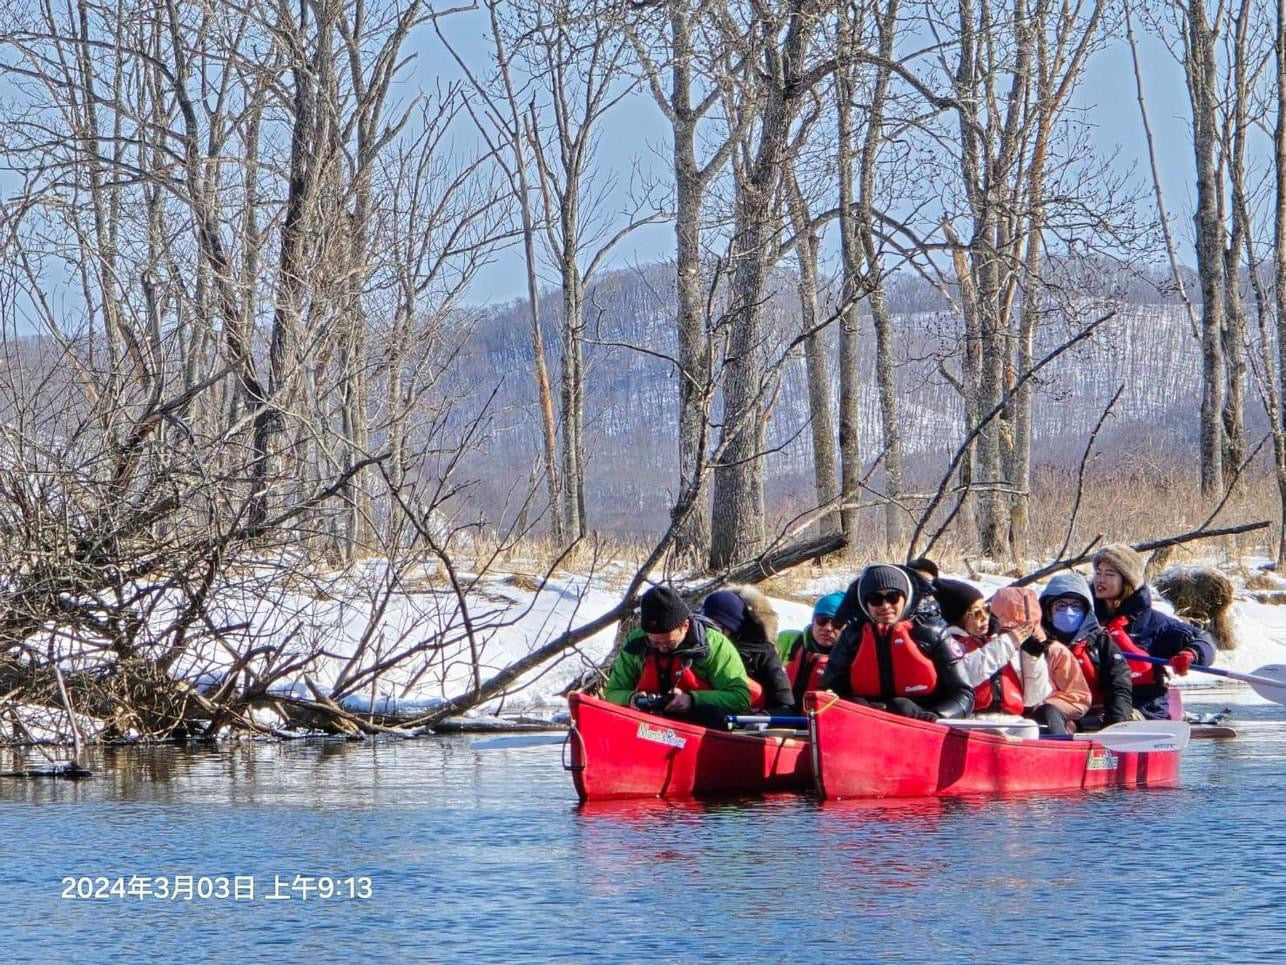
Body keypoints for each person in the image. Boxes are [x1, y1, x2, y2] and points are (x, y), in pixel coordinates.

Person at [818, 564, 973, 721]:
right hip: (866, 724)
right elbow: (828, 691)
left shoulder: (933, 633)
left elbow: (964, 693)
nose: (885, 606)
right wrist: (858, 706)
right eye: (875, 599)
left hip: (924, 723)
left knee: (901, 705)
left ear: (906, 598)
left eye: (893, 597)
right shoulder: (851, 638)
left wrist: (937, 716)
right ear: (866, 604)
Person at [1091, 544, 1217, 720]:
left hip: (1144, 708)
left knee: (1118, 716)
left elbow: (1203, 639)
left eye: (1109, 574)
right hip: (1094, 706)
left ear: (1127, 582)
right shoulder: (1085, 618)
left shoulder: (1154, 623)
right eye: (1098, 572)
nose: (1100, 580)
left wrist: (1190, 653)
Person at [603, 584, 751, 726]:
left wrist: (692, 699)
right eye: (654, 643)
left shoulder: (714, 644)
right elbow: (612, 692)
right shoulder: (636, 642)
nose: (662, 648)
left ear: (685, 626)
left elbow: (740, 698)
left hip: (697, 725)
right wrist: (631, 699)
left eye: (669, 642)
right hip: (647, 724)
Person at [1038, 571, 1134, 730]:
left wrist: (1115, 726)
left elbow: (1119, 685)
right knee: (1049, 714)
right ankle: (1056, 745)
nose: (1069, 612)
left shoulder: (1101, 641)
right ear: (1048, 612)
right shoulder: (1036, 644)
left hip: (1098, 717)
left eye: (1075, 606)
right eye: (1061, 605)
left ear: (1086, 611)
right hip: (1053, 715)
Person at [990, 585, 1090, 735]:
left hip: (1044, 721)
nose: (1015, 636)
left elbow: (1078, 697)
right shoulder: (988, 649)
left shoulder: (1054, 651)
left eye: (1021, 630)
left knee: (1046, 714)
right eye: (1006, 630)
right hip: (999, 718)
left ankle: (1055, 752)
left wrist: (1046, 706)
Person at [698, 587, 796, 713]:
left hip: (746, 721)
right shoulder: (691, 647)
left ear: (734, 629)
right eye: (704, 626)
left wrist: (764, 718)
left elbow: (785, 704)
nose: (710, 633)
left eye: (717, 627)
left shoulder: (763, 653)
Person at [776, 591, 846, 710]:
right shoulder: (787, 641)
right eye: (822, 620)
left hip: (820, 717)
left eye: (837, 624)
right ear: (813, 620)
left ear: (846, 627)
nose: (828, 628)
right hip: (779, 711)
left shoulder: (851, 655)